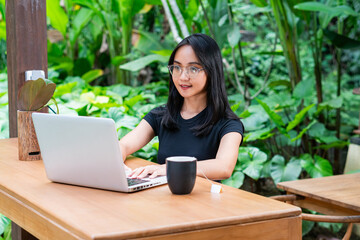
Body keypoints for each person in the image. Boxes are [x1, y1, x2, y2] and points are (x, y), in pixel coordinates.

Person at [119, 33, 244, 180]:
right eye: (177, 67)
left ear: (212, 71)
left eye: (193, 69)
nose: (183, 77)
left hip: (203, 201)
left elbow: (223, 167)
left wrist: (167, 168)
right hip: (164, 198)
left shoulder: (228, 125)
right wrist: (117, 164)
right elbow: (124, 145)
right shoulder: (160, 115)